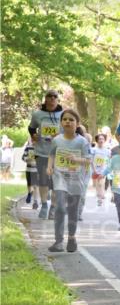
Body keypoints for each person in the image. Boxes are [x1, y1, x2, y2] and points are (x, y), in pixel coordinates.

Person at [46, 110, 90, 252]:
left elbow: (88, 160)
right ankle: (58, 242)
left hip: (76, 179)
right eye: (65, 119)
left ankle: (71, 237)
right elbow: (52, 154)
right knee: (59, 207)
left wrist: (76, 159)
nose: (67, 122)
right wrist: (49, 166)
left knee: (72, 210)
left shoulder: (82, 142)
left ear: (77, 123)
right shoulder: (57, 140)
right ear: (61, 122)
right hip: (60, 177)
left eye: (71, 120)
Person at [29, 89, 63, 219]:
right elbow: (31, 127)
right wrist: (34, 135)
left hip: (58, 153)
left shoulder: (63, 114)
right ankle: (44, 205)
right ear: (46, 99)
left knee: (56, 183)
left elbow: (72, 128)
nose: (53, 98)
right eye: (50, 96)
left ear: (58, 99)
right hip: (41, 152)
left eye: (55, 96)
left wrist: (61, 135)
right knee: (43, 180)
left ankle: (53, 208)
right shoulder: (37, 114)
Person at [90, 133, 111, 207]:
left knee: (101, 183)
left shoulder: (107, 151)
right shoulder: (93, 150)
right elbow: (91, 160)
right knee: (97, 184)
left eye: (102, 139)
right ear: (97, 140)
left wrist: (107, 169)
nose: (101, 140)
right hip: (95, 169)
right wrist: (93, 169)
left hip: (103, 170)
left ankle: (100, 199)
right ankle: (99, 194)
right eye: (99, 139)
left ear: (105, 140)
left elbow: (109, 161)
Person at [23, 131, 39, 207]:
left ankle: (35, 202)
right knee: (29, 185)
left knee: (36, 186)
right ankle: (29, 193)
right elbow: (23, 157)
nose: (34, 140)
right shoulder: (28, 148)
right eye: (33, 139)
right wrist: (27, 159)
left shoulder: (41, 149)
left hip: (37, 170)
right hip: (29, 169)